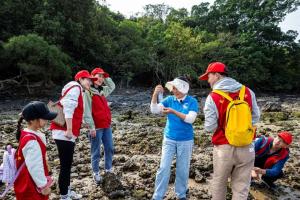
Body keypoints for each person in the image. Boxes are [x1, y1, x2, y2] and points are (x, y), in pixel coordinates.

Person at [200, 62, 260, 200]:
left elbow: (210, 127)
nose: (208, 80)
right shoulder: (248, 92)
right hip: (246, 146)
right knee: (241, 187)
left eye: (209, 76)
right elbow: (255, 117)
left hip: (223, 148)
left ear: (217, 75)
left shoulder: (213, 97)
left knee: (219, 184)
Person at [50, 70, 97, 200]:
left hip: (63, 132)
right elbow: (68, 108)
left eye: (91, 80)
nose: (90, 82)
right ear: (80, 79)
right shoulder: (76, 88)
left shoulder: (77, 90)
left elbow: (73, 111)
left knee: (67, 164)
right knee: (65, 165)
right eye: (88, 79)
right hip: (64, 133)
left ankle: (67, 191)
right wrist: (69, 129)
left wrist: (82, 123)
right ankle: (64, 196)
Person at [150, 77, 199, 200]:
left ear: (184, 88)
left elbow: (190, 119)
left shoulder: (192, 101)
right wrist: (155, 94)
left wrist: (173, 111)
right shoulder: (169, 99)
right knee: (163, 167)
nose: (174, 91)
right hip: (169, 139)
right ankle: (157, 196)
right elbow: (154, 110)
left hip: (186, 140)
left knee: (182, 169)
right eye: (173, 88)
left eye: (177, 88)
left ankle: (181, 194)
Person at [14, 101, 57, 200]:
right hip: (31, 186)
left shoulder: (27, 134)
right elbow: (35, 167)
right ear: (33, 120)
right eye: (44, 118)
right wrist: (43, 186)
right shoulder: (32, 141)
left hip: (26, 182)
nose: (47, 120)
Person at [83, 67, 115, 184]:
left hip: (106, 125)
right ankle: (95, 173)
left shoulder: (102, 90)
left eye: (102, 76)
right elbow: (86, 111)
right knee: (95, 151)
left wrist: (106, 77)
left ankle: (108, 170)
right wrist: (91, 127)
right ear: (92, 77)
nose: (101, 78)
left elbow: (112, 86)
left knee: (110, 148)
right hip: (95, 127)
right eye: (98, 76)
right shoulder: (88, 91)